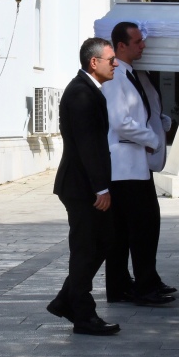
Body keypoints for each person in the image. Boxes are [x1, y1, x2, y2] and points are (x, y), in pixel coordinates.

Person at [46, 37, 121, 336]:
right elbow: (88, 144)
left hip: (84, 185)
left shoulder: (88, 90)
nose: (115, 64)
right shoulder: (80, 93)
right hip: (81, 187)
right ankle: (82, 313)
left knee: (101, 243)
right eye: (110, 59)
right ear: (94, 62)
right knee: (86, 248)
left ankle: (68, 300)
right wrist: (100, 188)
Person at [101, 22, 175, 306]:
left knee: (124, 231)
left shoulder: (131, 75)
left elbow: (140, 113)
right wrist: (153, 138)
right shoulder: (117, 76)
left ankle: (122, 286)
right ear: (121, 46)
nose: (143, 45)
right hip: (124, 166)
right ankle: (143, 286)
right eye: (137, 42)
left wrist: (159, 124)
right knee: (143, 227)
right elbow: (121, 122)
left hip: (133, 166)